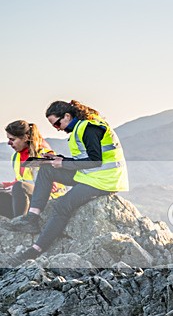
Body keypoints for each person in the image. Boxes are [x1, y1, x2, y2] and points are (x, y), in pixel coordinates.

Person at [8, 100, 128, 265]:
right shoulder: (81, 128)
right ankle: (32, 219)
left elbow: (95, 160)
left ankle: (35, 250)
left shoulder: (89, 127)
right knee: (47, 169)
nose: (58, 128)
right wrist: (60, 160)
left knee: (63, 205)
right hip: (90, 175)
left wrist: (63, 164)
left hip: (104, 180)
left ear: (67, 116)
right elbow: (84, 159)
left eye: (58, 123)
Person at [1, 120, 65, 219]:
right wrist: (5, 185)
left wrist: (15, 187)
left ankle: (20, 223)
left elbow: (51, 187)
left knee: (19, 187)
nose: (9, 143)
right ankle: (8, 229)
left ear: (25, 138)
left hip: (50, 197)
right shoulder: (15, 157)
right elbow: (21, 180)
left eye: (12, 139)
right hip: (29, 194)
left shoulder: (44, 154)